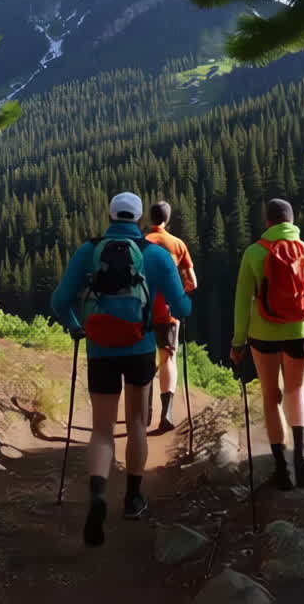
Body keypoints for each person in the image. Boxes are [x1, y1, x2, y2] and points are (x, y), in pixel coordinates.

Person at [51, 192, 191, 546]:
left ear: (111, 215)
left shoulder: (89, 251)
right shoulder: (156, 254)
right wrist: (181, 299)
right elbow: (182, 307)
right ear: (139, 217)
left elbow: (59, 302)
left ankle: (98, 495)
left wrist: (76, 327)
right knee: (137, 424)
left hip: (100, 349)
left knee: (101, 430)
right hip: (140, 347)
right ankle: (132, 498)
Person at [229, 198, 304, 490]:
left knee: (271, 395)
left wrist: (238, 341)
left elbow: (241, 302)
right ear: (291, 220)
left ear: (268, 221)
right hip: (300, 330)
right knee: (296, 389)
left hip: (263, 334)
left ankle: (282, 470)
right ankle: (302, 455)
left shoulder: (253, 253)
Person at [143, 200, 198, 432]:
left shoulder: (140, 243)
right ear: (167, 219)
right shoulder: (177, 244)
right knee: (168, 358)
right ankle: (166, 412)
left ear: (150, 218)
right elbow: (192, 283)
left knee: (143, 359)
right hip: (167, 312)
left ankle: (143, 411)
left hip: (141, 310)